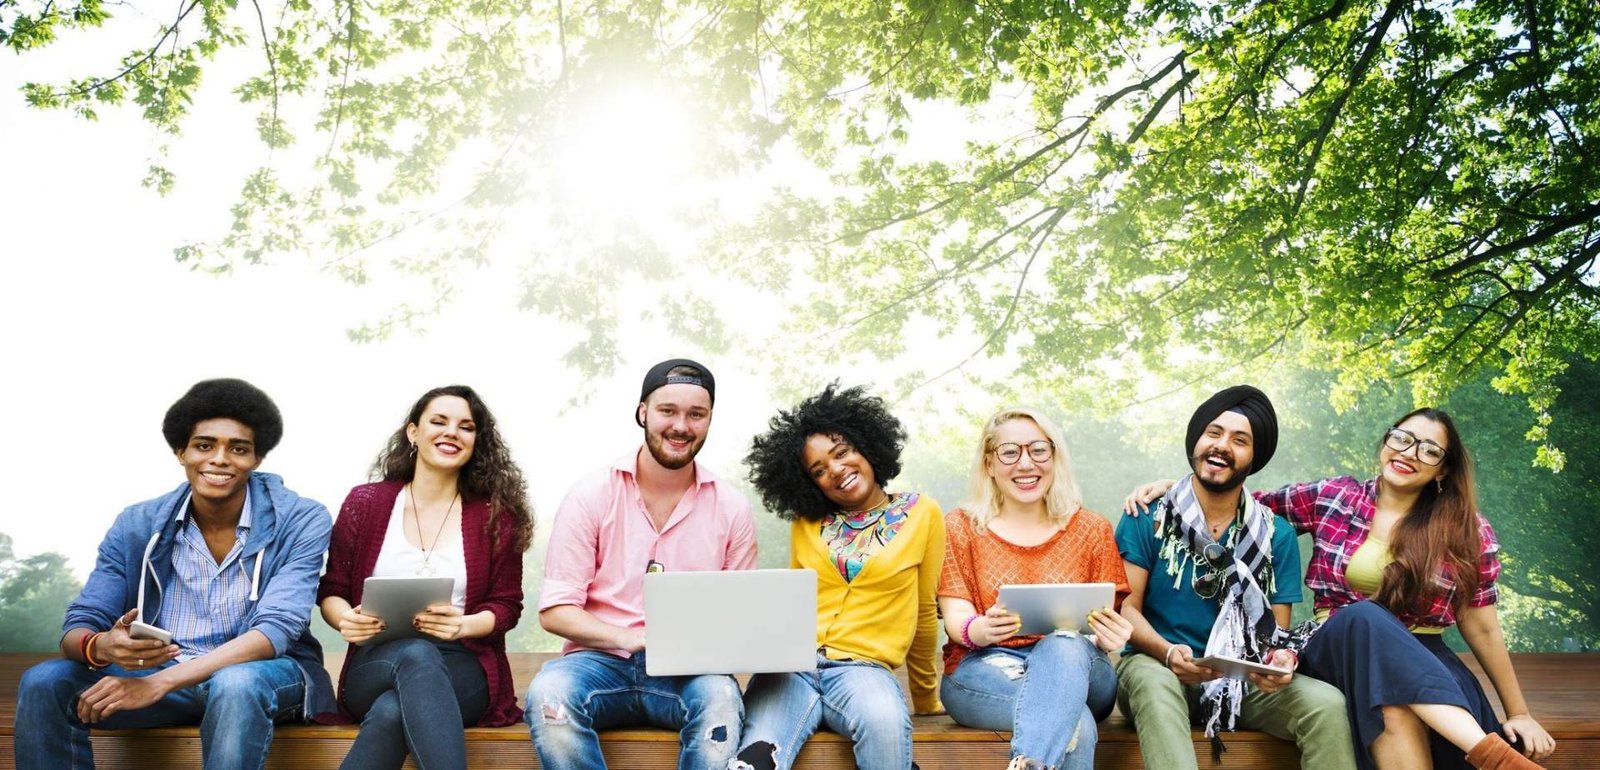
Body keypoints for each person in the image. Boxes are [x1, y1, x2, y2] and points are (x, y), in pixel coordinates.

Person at [1126, 407, 1555, 769]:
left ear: (1443, 468)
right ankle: (1490, 754)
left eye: (1428, 450)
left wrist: (1519, 712)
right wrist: (1172, 489)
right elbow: (1236, 500)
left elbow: (1482, 628)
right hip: (1331, 647)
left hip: (1423, 660)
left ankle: (1490, 752)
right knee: (1365, 617)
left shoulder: (1467, 532)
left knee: (1389, 703)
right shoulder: (1335, 496)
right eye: (1402, 439)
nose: (1409, 453)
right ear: (1386, 442)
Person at [14, 378, 334, 770]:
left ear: (257, 459)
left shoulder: (301, 519)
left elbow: (276, 630)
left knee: (235, 684)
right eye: (204, 445)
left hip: (259, 677)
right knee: (46, 681)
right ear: (180, 451)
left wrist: (159, 683)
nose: (220, 458)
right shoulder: (137, 523)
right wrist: (102, 648)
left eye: (238, 448)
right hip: (160, 679)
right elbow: (79, 626)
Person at [527, 359, 757, 770]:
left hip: (690, 670)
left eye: (696, 414)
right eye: (668, 410)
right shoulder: (590, 495)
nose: (681, 426)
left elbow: (738, 617)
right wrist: (632, 637)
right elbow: (555, 611)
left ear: (708, 420)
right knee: (549, 694)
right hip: (598, 662)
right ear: (642, 412)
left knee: (722, 700)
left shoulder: (732, 508)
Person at [1113, 385, 1354, 769]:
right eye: (1213, 433)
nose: (1222, 446)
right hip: (1154, 664)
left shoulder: (1277, 534)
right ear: (1196, 441)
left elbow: (1273, 635)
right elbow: (1126, 610)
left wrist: (1280, 661)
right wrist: (1169, 652)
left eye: (1240, 440)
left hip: (1239, 680)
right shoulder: (1148, 514)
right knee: (1155, 685)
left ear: (1254, 457)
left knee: (1326, 704)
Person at [317, 385, 533, 769]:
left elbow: (506, 606)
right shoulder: (365, 504)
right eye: (439, 421)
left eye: (466, 426)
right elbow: (332, 589)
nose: (452, 432)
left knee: (390, 712)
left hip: (464, 665)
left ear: (476, 441)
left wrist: (464, 625)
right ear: (413, 432)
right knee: (415, 654)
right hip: (374, 662)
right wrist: (345, 619)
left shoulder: (495, 515)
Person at [732, 382, 944, 770]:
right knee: (753, 761)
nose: (836, 470)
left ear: (866, 446)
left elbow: (925, 609)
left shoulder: (922, 513)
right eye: (818, 470)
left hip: (864, 671)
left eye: (841, 452)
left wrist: (926, 695)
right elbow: (792, 604)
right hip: (791, 670)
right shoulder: (806, 522)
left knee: (886, 725)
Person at [937, 408, 1134, 770]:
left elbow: (1106, 624)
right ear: (989, 463)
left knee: (1063, 642)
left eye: (1039, 450)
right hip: (984, 670)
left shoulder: (1092, 529)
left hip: (1083, 670)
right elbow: (957, 619)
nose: (1026, 464)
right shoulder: (960, 527)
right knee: (1075, 723)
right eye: (1010, 452)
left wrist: (1110, 637)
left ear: (1055, 458)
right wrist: (979, 629)